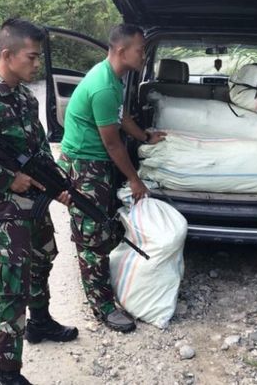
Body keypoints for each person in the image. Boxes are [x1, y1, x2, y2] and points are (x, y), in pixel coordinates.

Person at [0, 18, 78, 385]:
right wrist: (10, 180)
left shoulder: (24, 96)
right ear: (7, 54)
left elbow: (39, 149)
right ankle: (7, 373)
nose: (36, 65)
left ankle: (39, 322)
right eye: (32, 57)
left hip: (35, 202)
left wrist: (60, 186)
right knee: (13, 285)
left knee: (44, 260)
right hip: (7, 209)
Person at [58, 23, 165, 333]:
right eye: (140, 50)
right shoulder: (104, 85)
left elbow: (122, 119)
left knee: (103, 230)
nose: (143, 56)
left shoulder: (114, 79)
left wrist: (145, 136)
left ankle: (107, 289)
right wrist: (134, 179)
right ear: (121, 51)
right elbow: (112, 142)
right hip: (84, 166)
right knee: (91, 238)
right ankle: (102, 307)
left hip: (97, 164)